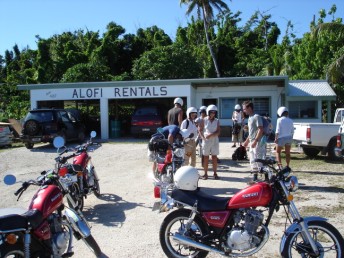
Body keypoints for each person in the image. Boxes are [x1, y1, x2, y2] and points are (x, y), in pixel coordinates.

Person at [242, 100, 266, 182]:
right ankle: (255, 177)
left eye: (244, 109)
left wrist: (255, 141)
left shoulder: (256, 116)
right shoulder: (250, 118)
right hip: (252, 142)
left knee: (259, 160)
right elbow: (251, 132)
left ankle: (265, 178)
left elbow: (261, 129)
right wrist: (247, 141)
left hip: (258, 143)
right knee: (252, 160)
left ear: (249, 108)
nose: (243, 111)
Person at [199, 104, 220, 180]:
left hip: (214, 140)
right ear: (208, 112)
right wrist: (202, 138)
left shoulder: (217, 120)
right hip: (206, 141)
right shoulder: (204, 120)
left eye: (214, 112)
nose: (213, 114)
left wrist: (212, 134)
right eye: (212, 112)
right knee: (206, 157)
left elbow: (218, 132)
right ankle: (205, 174)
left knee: (214, 157)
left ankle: (215, 173)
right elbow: (200, 130)